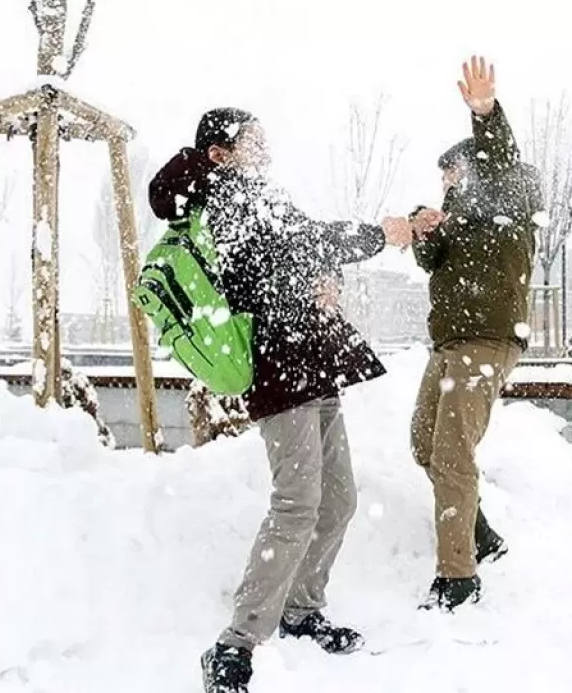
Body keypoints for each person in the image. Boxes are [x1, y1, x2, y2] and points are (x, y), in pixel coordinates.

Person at [148, 108, 415, 693]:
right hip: (279, 366)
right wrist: (379, 235)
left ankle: (300, 610)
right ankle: (235, 643)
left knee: (339, 498)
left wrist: (331, 283)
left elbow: (303, 253)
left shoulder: (259, 195)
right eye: (253, 141)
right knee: (297, 502)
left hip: (313, 363)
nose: (265, 148)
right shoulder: (220, 194)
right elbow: (301, 243)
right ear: (221, 152)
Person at [407, 56, 541, 611]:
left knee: (452, 452)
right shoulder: (457, 219)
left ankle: (458, 577)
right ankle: (480, 532)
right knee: (424, 443)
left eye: (453, 174)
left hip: (487, 341)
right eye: (443, 179)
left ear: (475, 168)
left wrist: (484, 112)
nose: (447, 184)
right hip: (451, 344)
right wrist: (422, 228)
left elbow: (502, 160)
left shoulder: (510, 196)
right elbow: (430, 261)